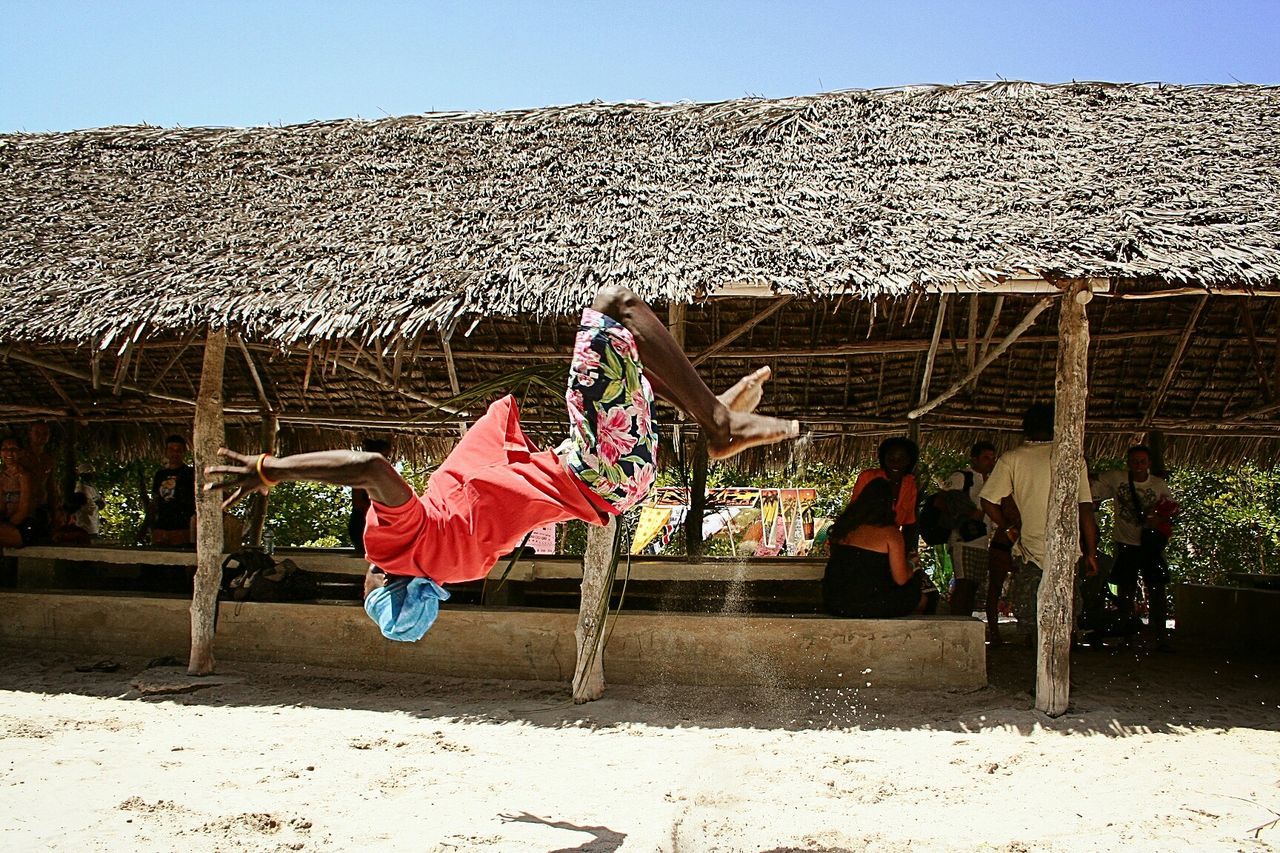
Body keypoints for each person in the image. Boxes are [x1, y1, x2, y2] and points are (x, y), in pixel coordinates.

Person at [208, 286, 800, 642]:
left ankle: (711, 412)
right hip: (597, 468)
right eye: (365, 586)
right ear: (385, 579)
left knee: (628, 358)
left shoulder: (456, 569)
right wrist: (269, 471)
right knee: (613, 309)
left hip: (611, 482)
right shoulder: (399, 545)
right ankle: (718, 426)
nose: (363, 572)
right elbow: (370, 468)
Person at [979, 403, 1099, 645]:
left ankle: (1040, 680)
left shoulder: (1012, 459)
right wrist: (1091, 551)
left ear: (1025, 428)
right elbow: (1085, 507)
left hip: (1031, 550)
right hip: (1066, 550)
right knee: (1064, 618)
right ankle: (1061, 680)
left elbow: (988, 501)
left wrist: (1008, 528)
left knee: (1033, 622)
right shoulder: (1072, 458)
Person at [1092, 445, 1178, 650]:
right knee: (1125, 591)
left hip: (1150, 545)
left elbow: (1173, 509)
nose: (1138, 465)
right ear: (1128, 463)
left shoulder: (1158, 485)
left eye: (1142, 461)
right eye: (1135, 461)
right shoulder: (1116, 478)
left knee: (1157, 589)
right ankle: (1126, 634)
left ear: (1148, 464)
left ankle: (1160, 635)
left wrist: (1159, 518)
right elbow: (1094, 486)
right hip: (1125, 543)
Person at [823, 478, 936, 618]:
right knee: (921, 596)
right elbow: (901, 579)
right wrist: (911, 564)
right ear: (890, 504)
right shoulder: (891, 534)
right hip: (869, 604)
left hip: (835, 602)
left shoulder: (844, 527)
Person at [945, 441, 998, 616]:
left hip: (982, 541)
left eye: (992, 458)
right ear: (974, 459)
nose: (990, 462)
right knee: (964, 584)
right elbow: (952, 504)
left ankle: (965, 620)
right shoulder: (962, 478)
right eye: (986, 458)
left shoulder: (992, 481)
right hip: (963, 539)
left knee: (973, 586)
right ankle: (956, 622)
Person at [848, 436, 921, 553]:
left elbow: (909, 523)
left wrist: (907, 553)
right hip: (862, 542)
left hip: (889, 544)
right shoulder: (868, 478)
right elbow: (853, 513)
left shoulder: (910, 483)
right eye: (891, 458)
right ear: (883, 459)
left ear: (909, 461)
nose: (895, 463)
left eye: (901, 458)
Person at [144, 435, 197, 546]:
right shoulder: (160, 475)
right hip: (161, 526)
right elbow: (155, 500)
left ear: (184, 452)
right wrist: (147, 525)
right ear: (166, 452)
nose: (175, 453)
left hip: (183, 527)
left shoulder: (190, 473)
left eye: (178, 450)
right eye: (171, 449)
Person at [348, 438, 393, 557]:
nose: (386, 460)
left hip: (375, 525)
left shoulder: (382, 476)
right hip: (362, 525)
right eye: (384, 456)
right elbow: (358, 503)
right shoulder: (361, 474)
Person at [18, 422, 56, 544]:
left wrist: (55, 508)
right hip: (22, 506)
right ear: (30, 434)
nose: (41, 436)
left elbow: (51, 486)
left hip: (42, 506)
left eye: (45, 433)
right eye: (37, 433)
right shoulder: (21, 456)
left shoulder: (48, 459)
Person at [0, 435, 35, 549]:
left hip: (23, 527)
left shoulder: (24, 476)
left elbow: (24, 510)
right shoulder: (2, 477)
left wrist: (8, 526)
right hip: (6, 527)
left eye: (13, 449)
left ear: (21, 453)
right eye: (4, 449)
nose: (9, 453)